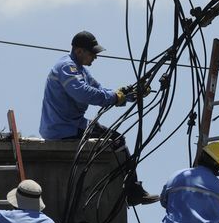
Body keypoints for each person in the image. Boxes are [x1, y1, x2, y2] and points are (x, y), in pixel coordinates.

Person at [39, 30, 158, 206]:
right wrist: (115, 97)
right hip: (63, 127)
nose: (95, 57)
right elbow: (83, 93)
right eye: (92, 53)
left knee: (115, 140)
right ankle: (132, 191)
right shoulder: (67, 67)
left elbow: (101, 90)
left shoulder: (81, 71)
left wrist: (130, 94)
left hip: (72, 124)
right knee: (117, 141)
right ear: (79, 51)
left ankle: (129, 189)